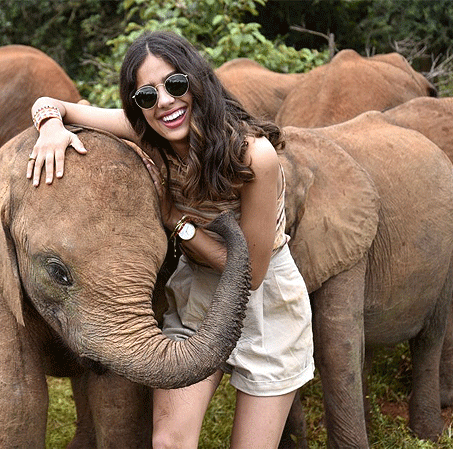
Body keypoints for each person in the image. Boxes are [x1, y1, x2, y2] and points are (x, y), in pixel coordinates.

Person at [27, 30, 314, 449]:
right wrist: (50, 126)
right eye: (146, 95)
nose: (164, 102)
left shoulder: (254, 156)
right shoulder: (147, 130)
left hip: (267, 304)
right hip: (195, 295)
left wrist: (175, 220)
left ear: (197, 81)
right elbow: (49, 103)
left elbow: (249, 275)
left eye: (175, 84)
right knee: (168, 443)